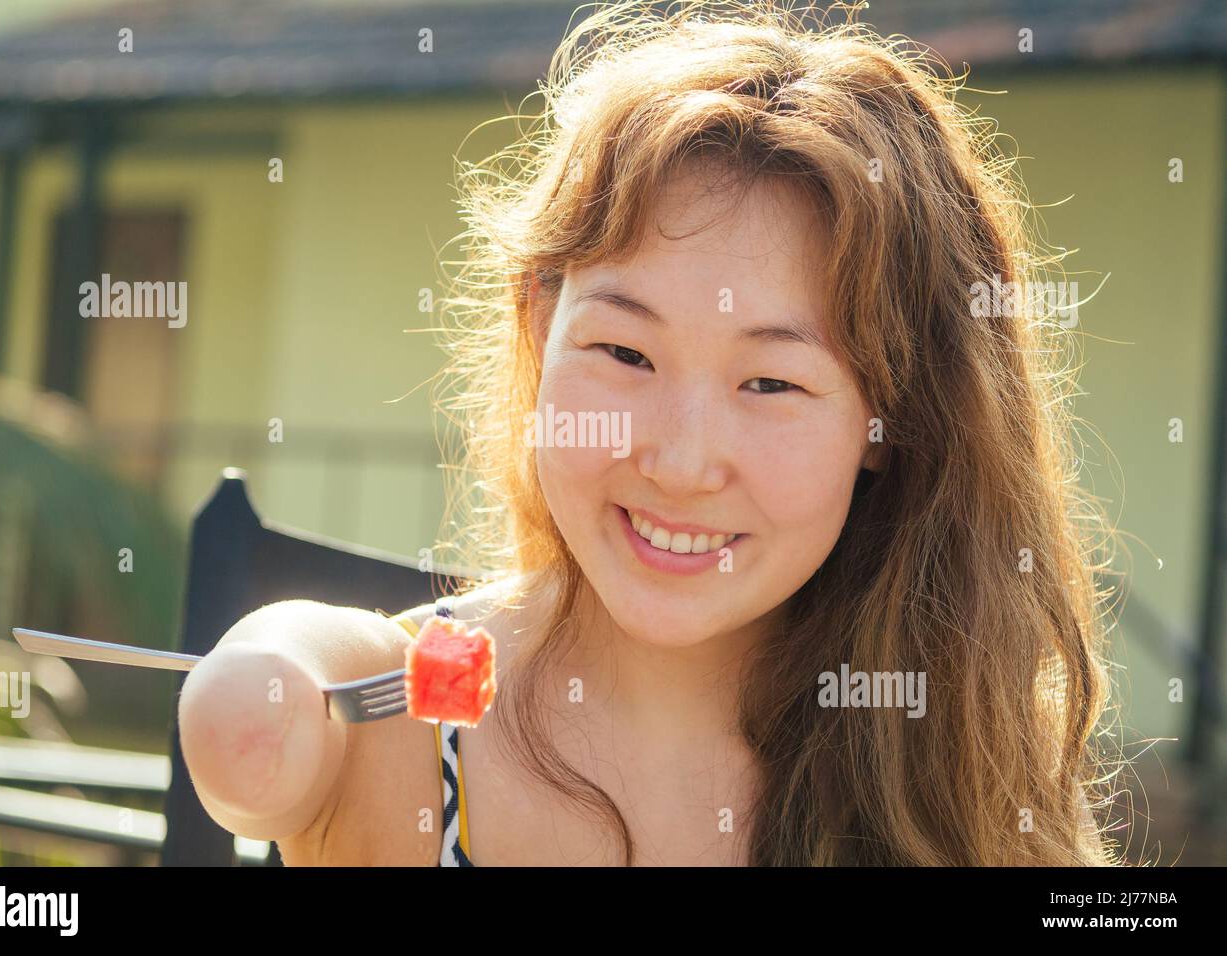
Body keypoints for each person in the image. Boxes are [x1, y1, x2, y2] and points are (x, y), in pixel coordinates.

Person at [178, 0, 1122, 866]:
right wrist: (269, 671)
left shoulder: (955, 777)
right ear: (541, 328)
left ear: (889, 422)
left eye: (771, 381)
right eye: (627, 355)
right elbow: (288, 680)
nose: (677, 461)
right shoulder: (393, 734)